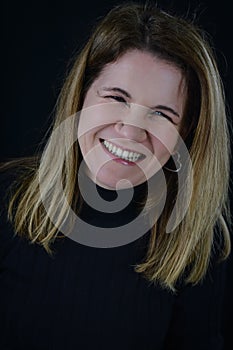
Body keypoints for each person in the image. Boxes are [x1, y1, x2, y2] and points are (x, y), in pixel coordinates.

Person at [0, 2, 231, 349]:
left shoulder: (198, 244)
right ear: (81, 96)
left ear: (186, 135)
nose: (132, 131)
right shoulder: (6, 194)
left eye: (162, 114)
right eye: (117, 97)